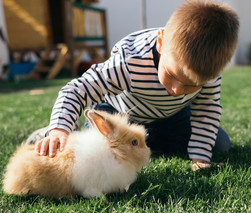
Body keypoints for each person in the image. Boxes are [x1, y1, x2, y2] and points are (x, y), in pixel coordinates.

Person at [33, 0, 239, 170]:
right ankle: (54, 134)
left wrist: (200, 157)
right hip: (118, 116)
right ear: (160, 44)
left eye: (190, 86)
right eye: (172, 75)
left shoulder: (209, 72)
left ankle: (149, 141)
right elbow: (77, 91)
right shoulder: (130, 61)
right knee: (96, 154)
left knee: (219, 144)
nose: (176, 90)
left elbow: (206, 111)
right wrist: (60, 128)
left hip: (169, 116)